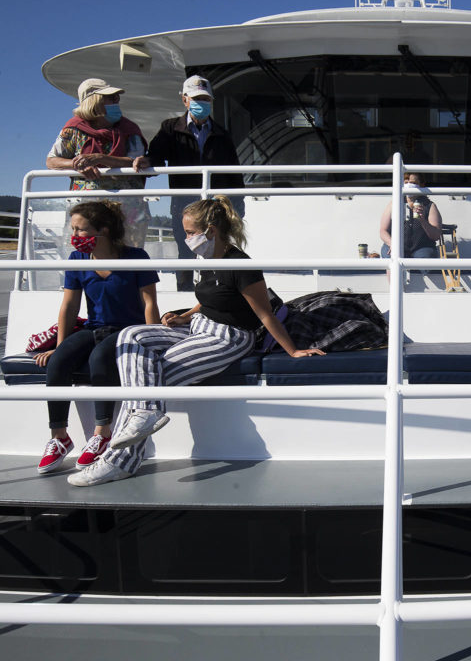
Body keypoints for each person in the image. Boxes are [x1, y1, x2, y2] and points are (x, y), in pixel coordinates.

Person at [68, 196, 325, 487]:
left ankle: (119, 462)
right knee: (130, 336)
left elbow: (264, 314)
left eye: (190, 233)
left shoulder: (240, 265)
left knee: (148, 380)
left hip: (228, 337)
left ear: (211, 231)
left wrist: (293, 351)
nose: (187, 238)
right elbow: (210, 299)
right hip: (198, 328)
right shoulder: (206, 258)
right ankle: (147, 413)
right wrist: (186, 316)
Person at [35, 201, 160, 475]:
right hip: (95, 327)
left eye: (81, 230)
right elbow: (69, 307)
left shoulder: (136, 257)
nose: (75, 236)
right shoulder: (77, 260)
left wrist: (153, 340)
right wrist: (59, 346)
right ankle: (59, 438)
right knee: (59, 362)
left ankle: (102, 433)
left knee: (99, 358)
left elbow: (149, 302)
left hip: (128, 330)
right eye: (74, 230)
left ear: (103, 230)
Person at [136, 75, 245, 291]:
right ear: (184, 100)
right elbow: (157, 154)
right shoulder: (171, 129)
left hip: (215, 204)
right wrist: (147, 161)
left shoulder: (221, 134)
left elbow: (234, 171)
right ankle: (184, 291)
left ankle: (212, 291)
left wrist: (238, 204)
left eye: (205, 99)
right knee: (185, 247)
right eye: (195, 98)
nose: (200, 103)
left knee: (216, 248)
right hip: (184, 203)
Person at [46, 78, 151, 246]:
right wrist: (77, 164)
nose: (117, 101)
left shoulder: (129, 129)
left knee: (128, 252)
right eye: (110, 97)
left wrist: (101, 158)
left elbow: (135, 161)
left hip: (126, 206)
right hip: (86, 208)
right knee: (84, 251)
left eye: (117, 97)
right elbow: (51, 161)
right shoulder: (73, 129)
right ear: (93, 101)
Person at [379, 172, 442, 258]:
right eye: (406, 182)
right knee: (390, 256)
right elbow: (383, 230)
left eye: (413, 183)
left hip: (422, 247)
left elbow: (436, 236)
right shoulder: (394, 204)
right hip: (396, 244)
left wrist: (422, 220)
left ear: (422, 185)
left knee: (425, 259)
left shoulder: (429, 205)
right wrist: (391, 243)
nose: (409, 185)